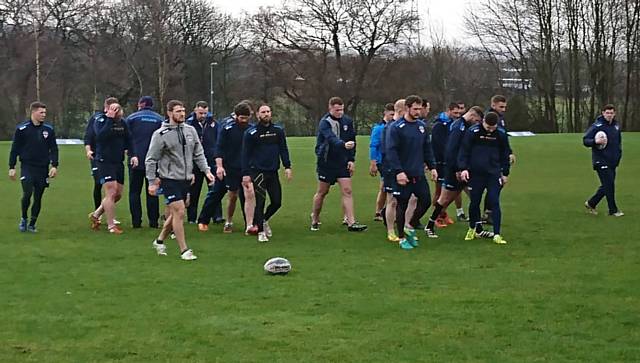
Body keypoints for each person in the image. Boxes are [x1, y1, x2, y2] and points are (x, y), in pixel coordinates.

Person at [146, 100, 214, 260]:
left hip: (186, 179)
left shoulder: (190, 131)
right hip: (169, 179)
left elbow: (198, 153)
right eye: (178, 111)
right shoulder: (160, 135)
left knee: (178, 211)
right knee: (180, 211)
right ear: (169, 113)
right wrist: (151, 181)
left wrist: (206, 171)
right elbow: (151, 159)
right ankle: (184, 250)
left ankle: (159, 240)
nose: (182, 114)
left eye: (183, 110)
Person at [385, 95, 438, 250]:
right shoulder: (396, 127)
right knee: (401, 204)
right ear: (407, 108)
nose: (418, 111)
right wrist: (399, 172)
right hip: (403, 175)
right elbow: (391, 151)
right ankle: (401, 237)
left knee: (426, 201)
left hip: (418, 173)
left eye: (419, 108)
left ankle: (409, 225)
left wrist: (433, 167)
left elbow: (427, 149)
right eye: (415, 108)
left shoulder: (421, 127)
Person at [424, 106, 485, 238]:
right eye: (477, 121)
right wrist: (457, 168)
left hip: (464, 170)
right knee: (444, 199)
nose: (477, 124)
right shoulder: (458, 127)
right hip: (454, 170)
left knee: (475, 196)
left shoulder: (464, 126)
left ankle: (478, 228)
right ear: (473, 116)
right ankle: (430, 225)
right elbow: (451, 150)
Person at [198, 102, 256, 234]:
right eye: (241, 118)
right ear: (236, 116)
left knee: (247, 195)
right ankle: (203, 220)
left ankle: (250, 224)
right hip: (228, 168)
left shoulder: (252, 130)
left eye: (246, 118)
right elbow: (219, 149)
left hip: (245, 169)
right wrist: (219, 167)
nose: (244, 120)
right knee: (216, 194)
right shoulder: (227, 129)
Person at [310, 97, 367, 232]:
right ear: (330, 109)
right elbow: (331, 139)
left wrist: (351, 159)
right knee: (322, 192)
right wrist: (343, 145)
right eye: (337, 110)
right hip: (327, 162)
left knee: (347, 190)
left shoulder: (347, 121)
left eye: (341, 110)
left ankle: (351, 222)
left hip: (342, 162)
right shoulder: (325, 123)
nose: (340, 112)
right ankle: (315, 217)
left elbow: (352, 140)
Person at [241, 104, 293, 242]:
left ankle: (263, 219)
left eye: (268, 111)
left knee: (277, 201)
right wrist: (245, 174)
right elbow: (245, 154)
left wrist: (287, 166)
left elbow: (283, 149)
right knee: (260, 201)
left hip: (273, 171)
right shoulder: (251, 133)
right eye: (263, 112)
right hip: (257, 171)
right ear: (258, 114)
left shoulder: (278, 131)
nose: (266, 114)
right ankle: (261, 232)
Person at [458, 111, 510, 244]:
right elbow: (464, 151)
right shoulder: (473, 132)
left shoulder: (500, 134)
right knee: (475, 201)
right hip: (476, 174)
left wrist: (505, 173)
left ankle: (497, 234)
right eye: (488, 127)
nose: (490, 130)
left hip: (493, 174)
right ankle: (472, 228)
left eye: (493, 128)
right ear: (483, 122)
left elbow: (505, 154)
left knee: (494, 201)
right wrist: (463, 168)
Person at [8, 101, 59, 232]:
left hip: (42, 168)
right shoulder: (22, 129)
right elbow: (14, 149)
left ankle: (32, 223)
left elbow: (54, 149)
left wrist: (54, 165)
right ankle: (24, 218)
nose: (43, 115)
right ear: (33, 112)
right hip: (27, 167)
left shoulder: (48, 130)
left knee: (38, 196)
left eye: (45, 113)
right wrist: (12, 167)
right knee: (27, 193)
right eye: (41, 112)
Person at [89, 101, 130, 234]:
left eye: (118, 109)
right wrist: (109, 120)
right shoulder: (100, 121)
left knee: (117, 195)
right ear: (107, 109)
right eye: (113, 109)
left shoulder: (123, 123)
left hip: (118, 162)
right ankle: (111, 225)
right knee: (111, 192)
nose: (117, 111)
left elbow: (129, 139)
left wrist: (133, 154)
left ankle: (96, 214)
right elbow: (100, 137)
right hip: (104, 161)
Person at [125, 96, 163, 228]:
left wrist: (131, 153)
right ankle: (153, 222)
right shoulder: (159, 119)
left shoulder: (131, 118)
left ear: (141, 104)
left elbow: (126, 138)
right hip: (154, 161)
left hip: (136, 159)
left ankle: (136, 222)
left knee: (134, 191)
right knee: (152, 191)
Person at [186, 101, 223, 224]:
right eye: (201, 113)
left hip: (211, 161)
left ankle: (217, 216)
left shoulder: (214, 124)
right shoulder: (189, 124)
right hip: (194, 162)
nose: (203, 116)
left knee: (215, 190)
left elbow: (219, 140)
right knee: (194, 190)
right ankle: (192, 217)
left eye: (205, 113)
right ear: (195, 110)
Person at [583, 104, 623, 217]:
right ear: (603, 113)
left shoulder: (616, 126)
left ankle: (591, 203)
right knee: (609, 185)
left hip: (612, 161)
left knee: (607, 185)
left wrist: (619, 155)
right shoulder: (597, 126)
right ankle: (613, 210)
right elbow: (585, 140)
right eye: (607, 113)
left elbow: (618, 143)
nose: (609, 115)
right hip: (601, 160)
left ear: (614, 114)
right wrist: (595, 142)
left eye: (611, 113)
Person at [84, 97, 119, 225]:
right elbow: (88, 136)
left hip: (112, 158)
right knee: (99, 184)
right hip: (97, 155)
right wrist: (88, 150)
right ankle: (98, 214)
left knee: (112, 190)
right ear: (106, 107)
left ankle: (101, 213)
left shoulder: (118, 120)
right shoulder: (96, 119)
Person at [482, 95, 515, 224]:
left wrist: (509, 152)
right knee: (495, 184)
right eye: (501, 107)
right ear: (493, 105)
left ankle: (488, 212)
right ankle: (488, 213)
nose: (503, 109)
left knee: (496, 185)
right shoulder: (490, 118)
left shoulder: (499, 118)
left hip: (498, 155)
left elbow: (503, 138)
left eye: (505, 107)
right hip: (492, 157)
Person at [430, 102, 462, 227]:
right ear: (448, 110)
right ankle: (437, 216)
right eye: (455, 113)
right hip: (441, 163)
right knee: (439, 192)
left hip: (451, 163)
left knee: (454, 191)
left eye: (459, 113)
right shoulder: (439, 124)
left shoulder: (453, 124)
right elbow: (439, 145)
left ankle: (442, 213)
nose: (457, 115)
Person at [369, 103, 394, 221]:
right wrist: (373, 162)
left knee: (385, 186)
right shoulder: (378, 128)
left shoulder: (393, 126)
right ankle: (379, 212)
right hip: (381, 161)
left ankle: (380, 212)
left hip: (389, 160)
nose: (393, 116)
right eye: (391, 114)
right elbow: (373, 145)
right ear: (385, 113)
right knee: (384, 186)